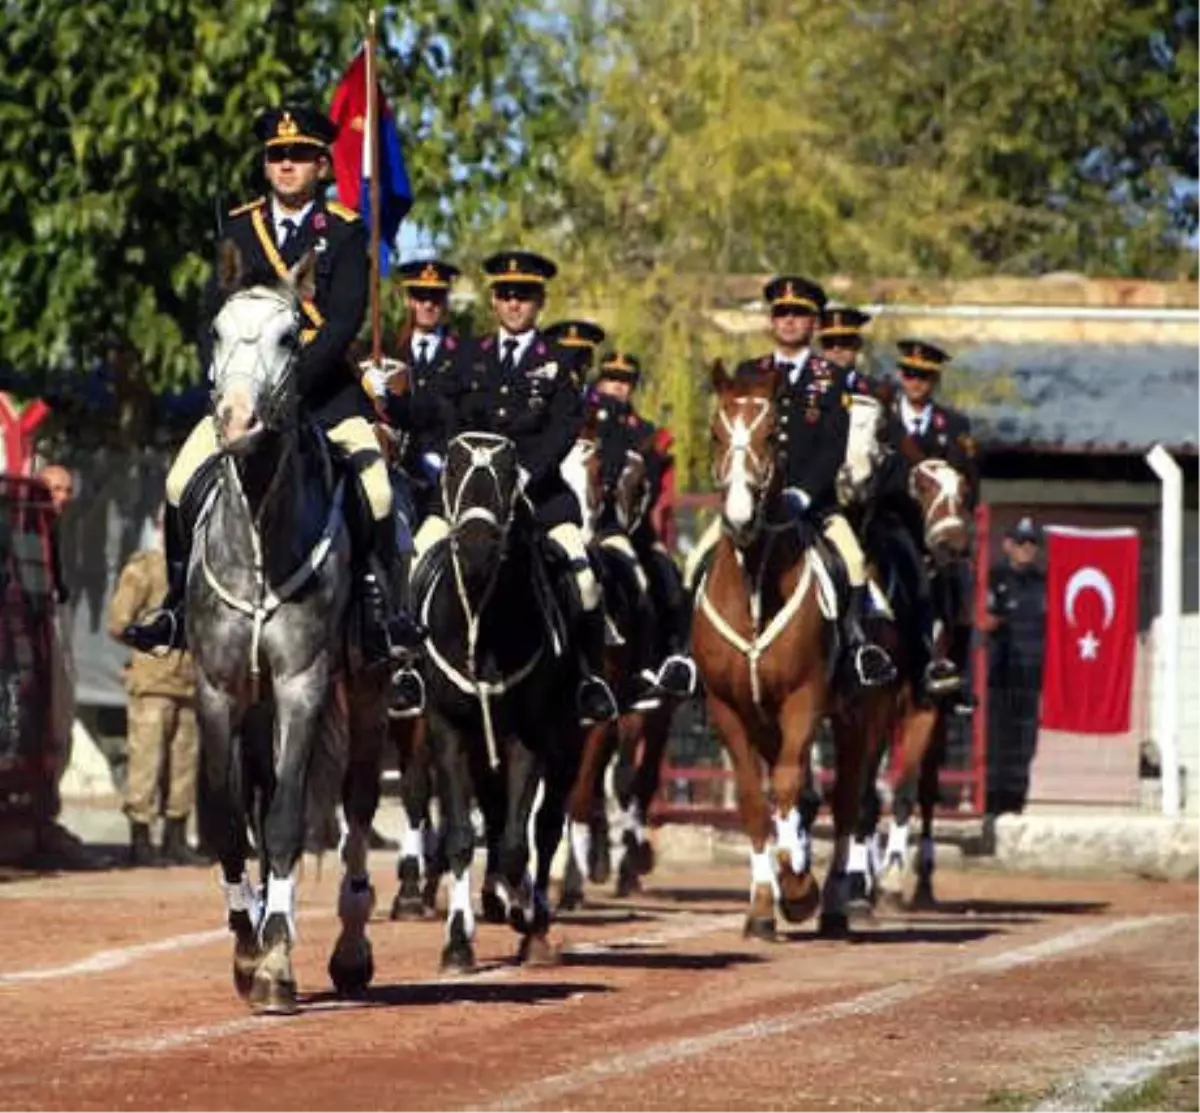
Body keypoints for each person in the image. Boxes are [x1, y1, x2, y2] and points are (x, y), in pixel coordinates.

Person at [121, 105, 422, 694]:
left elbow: (341, 322)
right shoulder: (238, 228)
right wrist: (234, 382)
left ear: (320, 164)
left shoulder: (344, 230)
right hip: (245, 392)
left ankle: (377, 613)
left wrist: (294, 386)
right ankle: (179, 608)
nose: (286, 166)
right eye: (276, 156)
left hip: (325, 393)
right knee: (181, 481)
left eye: (299, 156)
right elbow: (213, 312)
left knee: (380, 491)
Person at [405, 251, 618, 726]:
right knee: (418, 555)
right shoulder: (465, 356)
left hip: (536, 494)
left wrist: (524, 474)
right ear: (493, 300)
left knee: (583, 576)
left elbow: (564, 427)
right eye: (505, 295)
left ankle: (587, 678)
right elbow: (438, 414)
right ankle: (410, 668)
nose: (514, 304)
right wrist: (392, 402)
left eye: (524, 296)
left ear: (540, 302)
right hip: (468, 495)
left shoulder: (559, 363)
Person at [685, 275, 896, 690]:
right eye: (781, 313)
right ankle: (683, 656)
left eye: (798, 314)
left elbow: (832, 447)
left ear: (813, 322)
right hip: (751, 505)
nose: (789, 320)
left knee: (852, 562)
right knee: (694, 564)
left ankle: (856, 649)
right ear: (771, 320)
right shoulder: (749, 372)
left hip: (812, 506)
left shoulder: (830, 378)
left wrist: (803, 493)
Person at [589, 351, 696, 702]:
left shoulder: (647, 434)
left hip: (624, 530)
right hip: (581, 525)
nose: (616, 388)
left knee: (662, 580)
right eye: (611, 379)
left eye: (624, 382)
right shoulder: (579, 419)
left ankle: (656, 662)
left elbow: (651, 492)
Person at [107, 508, 205, 867]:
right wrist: (155, 639)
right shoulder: (145, 567)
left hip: (190, 682)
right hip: (152, 683)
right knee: (146, 762)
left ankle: (176, 836)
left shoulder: (201, 571)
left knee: (184, 763)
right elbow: (118, 623)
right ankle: (141, 838)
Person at [885, 339, 978, 707]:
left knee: (961, 591)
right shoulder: (884, 422)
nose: (915, 382)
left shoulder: (953, 425)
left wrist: (954, 528)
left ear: (934, 380)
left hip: (935, 535)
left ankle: (953, 672)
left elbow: (969, 483)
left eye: (923, 376)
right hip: (892, 526)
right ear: (900, 376)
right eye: (909, 374)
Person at [983, 516, 1046, 814]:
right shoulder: (993, 578)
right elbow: (985, 621)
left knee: (1025, 741)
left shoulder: (1042, 583)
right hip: (1000, 674)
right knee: (996, 738)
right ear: (1007, 545)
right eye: (1021, 542)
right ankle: (993, 799)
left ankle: (1015, 799)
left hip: (1031, 676)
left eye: (1032, 543)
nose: (1026, 549)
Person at [543, 320, 607, 389]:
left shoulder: (595, 396)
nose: (573, 366)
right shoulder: (538, 390)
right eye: (565, 355)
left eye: (581, 356)